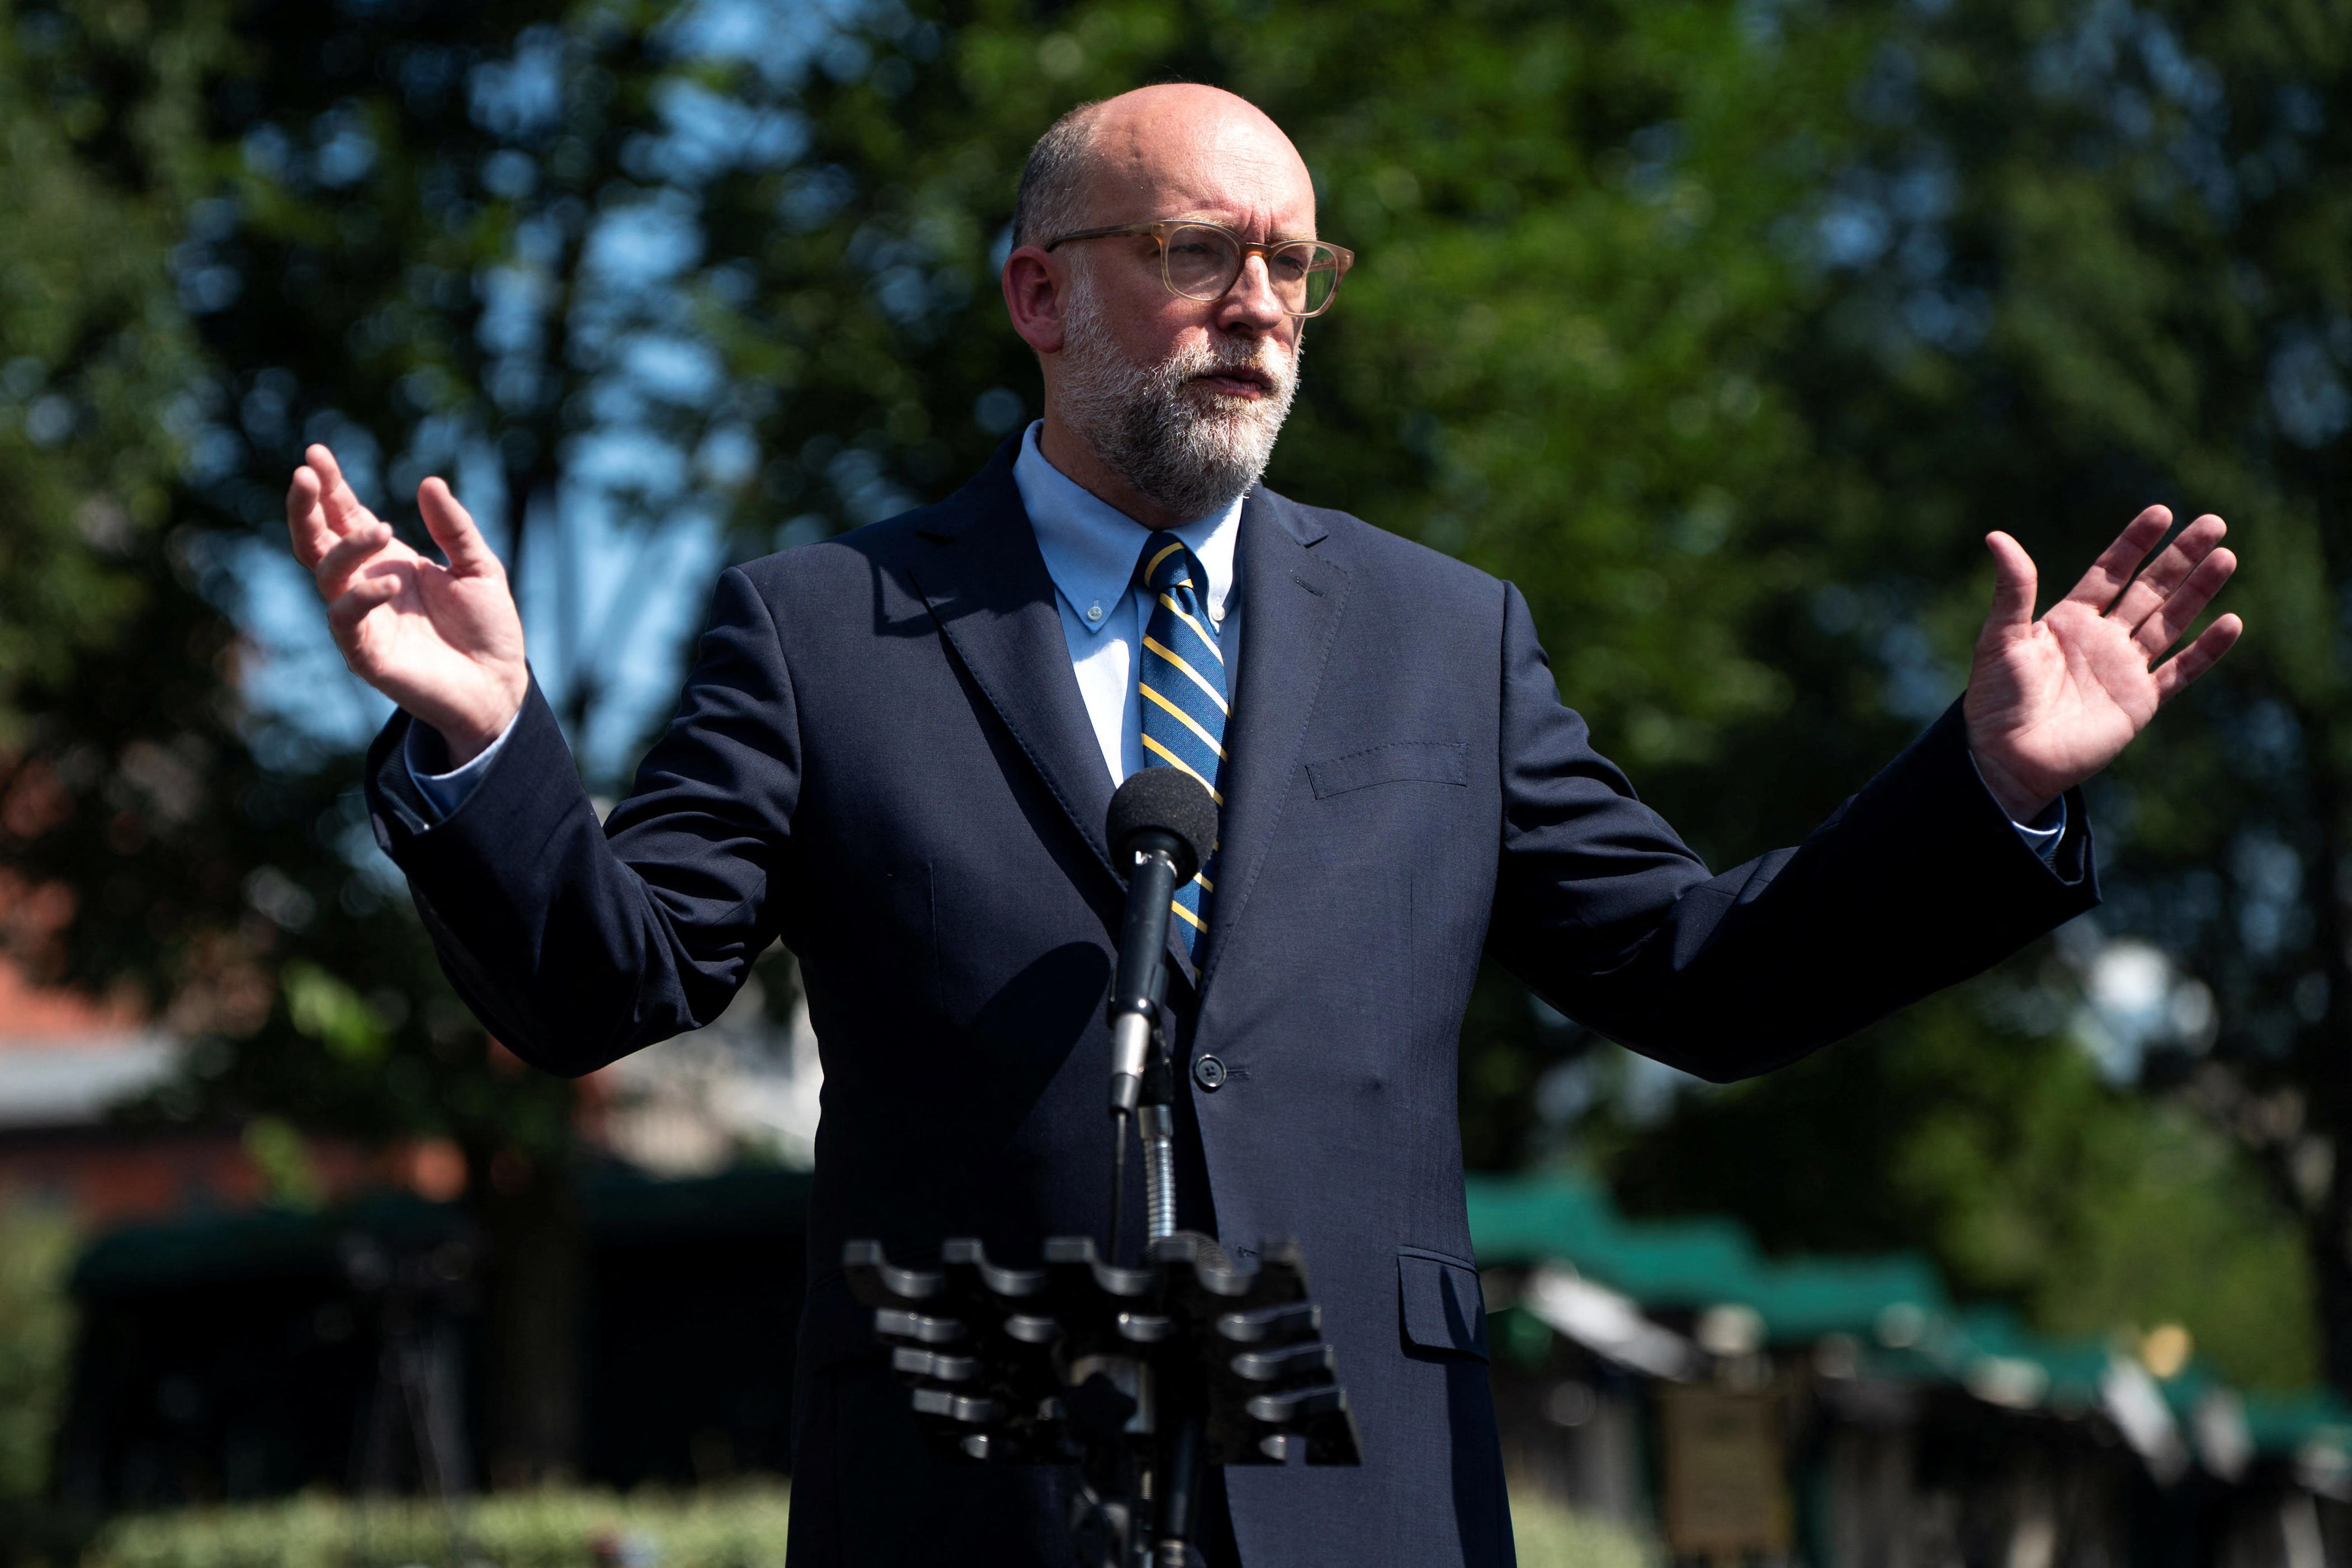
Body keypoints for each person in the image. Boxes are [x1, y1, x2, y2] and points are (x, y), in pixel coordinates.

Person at [285, 83, 2239, 1568]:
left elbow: (1703, 973)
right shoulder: (823, 630)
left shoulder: (1445, 637)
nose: (1262, 306)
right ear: (1040, 294)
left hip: (1366, 1490)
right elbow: (602, 984)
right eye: (1202, 252)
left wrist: (1988, 790)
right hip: (970, 1491)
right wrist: (487, 737)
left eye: (1296, 264)